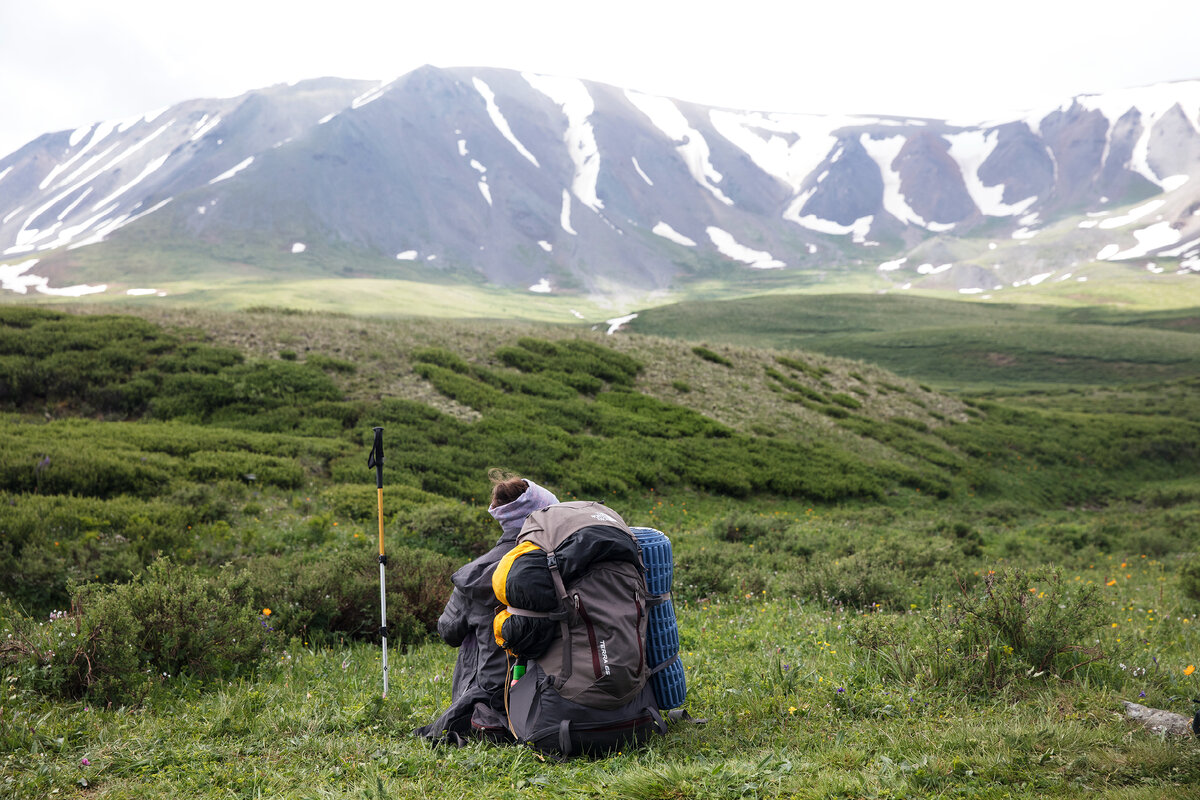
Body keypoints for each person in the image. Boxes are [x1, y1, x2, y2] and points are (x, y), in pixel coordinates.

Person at [415, 470, 558, 744]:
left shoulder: (475, 574)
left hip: (494, 693)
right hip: (553, 690)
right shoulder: (559, 565)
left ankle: (482, 710)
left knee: (469, 627)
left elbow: (448, 632)